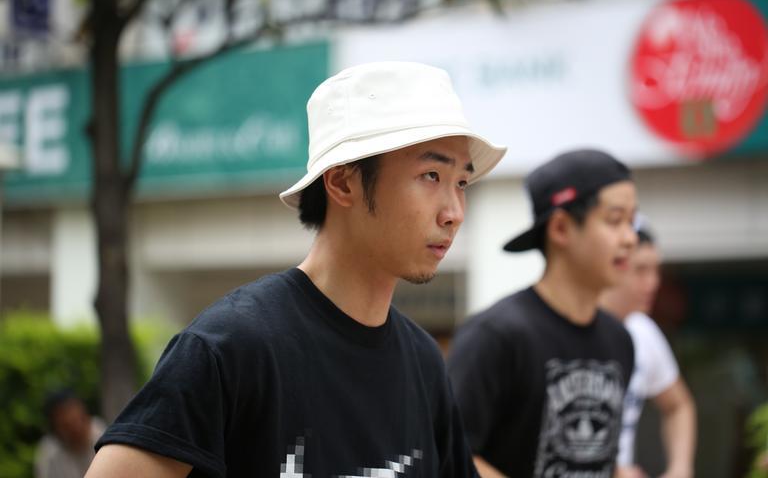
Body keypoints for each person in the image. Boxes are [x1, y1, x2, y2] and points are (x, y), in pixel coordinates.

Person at [85, 61, 507, 477]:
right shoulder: (234, 345)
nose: (454, 213)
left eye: (461, 183)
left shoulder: (423, 362)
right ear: (342, 182)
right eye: (431, 175)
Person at [447, 149, 637, 478]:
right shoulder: (496, 336)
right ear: (561, 228)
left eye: (632, 222)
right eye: (614, 220)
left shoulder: (619, 340)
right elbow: (451, 454)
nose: (631, 238)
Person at [600, 224, 696, 478]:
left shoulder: (643, 331)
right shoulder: (568, 330)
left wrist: (680, 468)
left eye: (656, 271)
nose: (652, 283)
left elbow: (678, 405)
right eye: (640, 270)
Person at [35, 390, 105, 478]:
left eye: (79, 420)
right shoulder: (49, 453)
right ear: (56, 429)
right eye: (67, 426)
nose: (77, 429)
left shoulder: (100, 432)